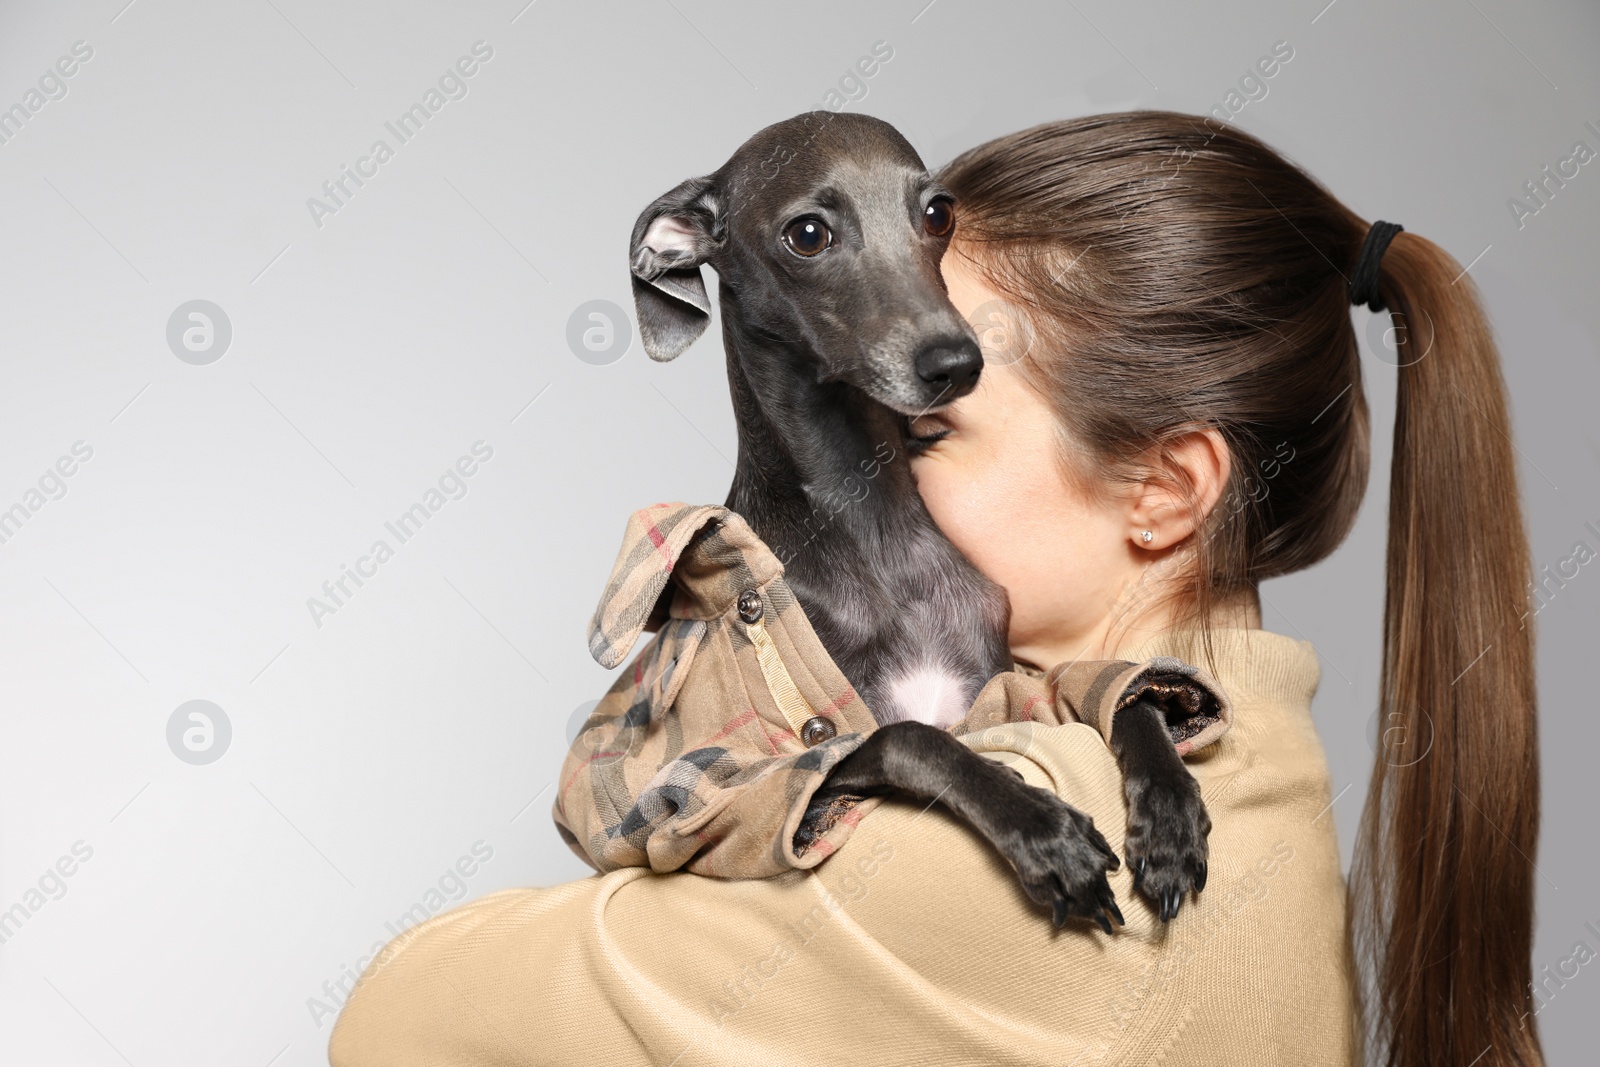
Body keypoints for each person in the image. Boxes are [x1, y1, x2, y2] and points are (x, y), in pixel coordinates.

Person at [327, 111, 1541, 1067]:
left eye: (922, 432)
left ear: (1165, 492)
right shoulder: (1268, 795)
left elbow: (395, 1014)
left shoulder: (1006, 869)